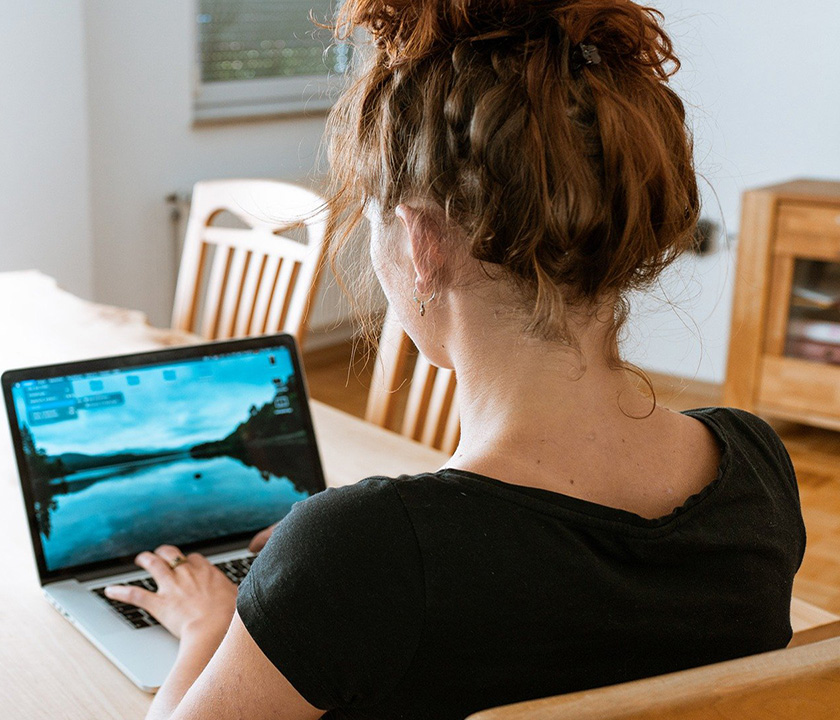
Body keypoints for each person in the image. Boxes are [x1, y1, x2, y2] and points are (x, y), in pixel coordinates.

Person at [104, 1, 805, 718]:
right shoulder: (757, 468)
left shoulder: (366, 555)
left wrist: (213, 625)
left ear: (420, 244)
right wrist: (306, 583)